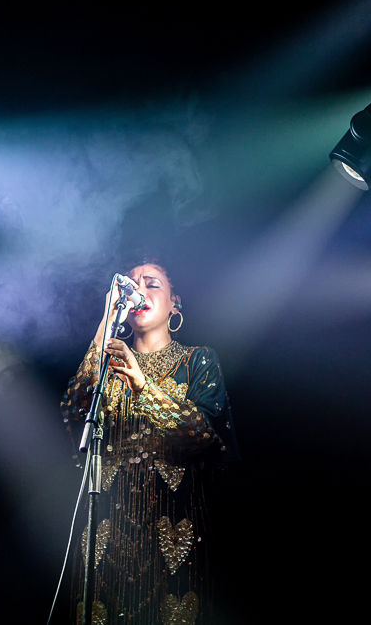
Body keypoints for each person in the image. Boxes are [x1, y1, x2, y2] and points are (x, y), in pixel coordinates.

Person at [61, 260, 238, 624]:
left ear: (175, 303)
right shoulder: (106, 362)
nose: (138, 291)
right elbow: (72, 420)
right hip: (106, 534)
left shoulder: (198, 361)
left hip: (174, 532)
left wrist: (142, 386)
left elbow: (203, 436)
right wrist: (102, 332)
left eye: (152, 283)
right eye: (132, 285)